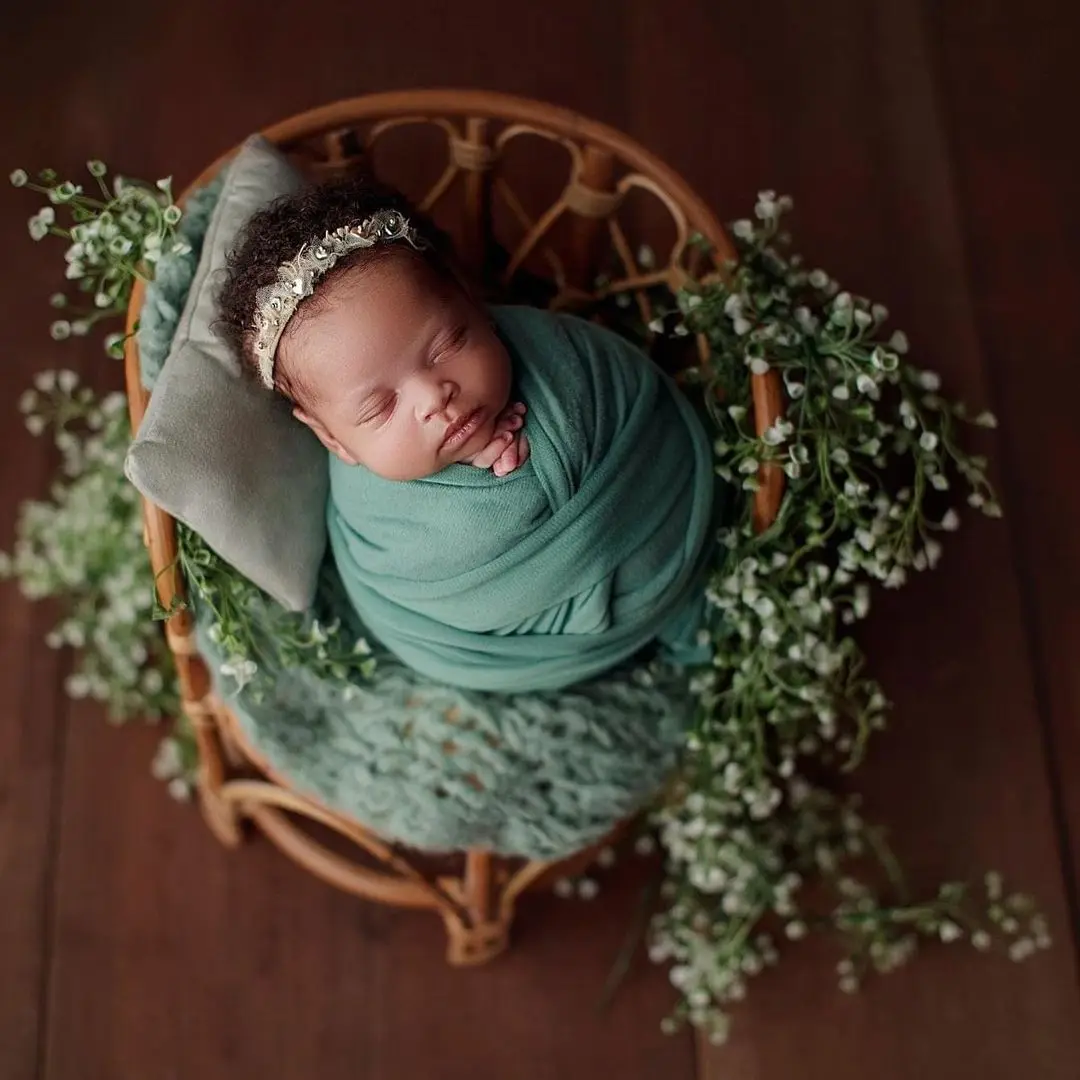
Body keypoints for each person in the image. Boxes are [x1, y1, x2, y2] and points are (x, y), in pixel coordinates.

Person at [217, 175, 719, 693]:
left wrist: (548, 446)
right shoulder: (378, 527)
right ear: (333, 440)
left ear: (473, 303)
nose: (434, 397)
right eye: (381, 407)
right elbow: (408, 614)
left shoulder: (563, 357)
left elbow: (639, 409)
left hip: (665, 539)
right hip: (514, 656)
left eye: (446, 345)